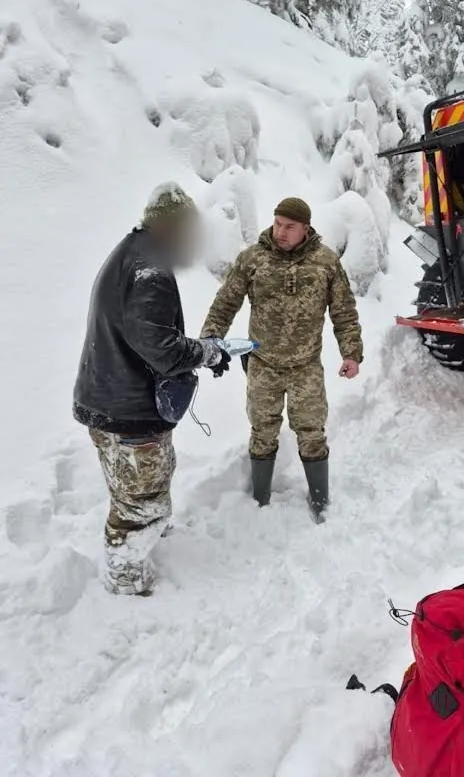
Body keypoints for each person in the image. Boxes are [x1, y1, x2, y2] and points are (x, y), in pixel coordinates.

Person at [73, 183, 230, 596]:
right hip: (130, 415)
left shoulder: (130, 254)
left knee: (132, 495)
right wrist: (208, 352)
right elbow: (163, 351)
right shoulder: (151, 271)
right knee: (139, 507)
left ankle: (142, 555)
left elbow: (143, 335)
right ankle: (127, 591)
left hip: (106, 403)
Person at [200, 197, 363, 520]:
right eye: (277, 224)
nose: (281, 232)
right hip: (263, 365)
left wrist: (351, 353)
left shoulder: (325, 263)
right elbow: (226, 302)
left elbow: (344, 311)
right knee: (262, 431)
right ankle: (259, 500)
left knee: (312, 433)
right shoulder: (253, 259)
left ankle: (320, 502)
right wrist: (210, 338)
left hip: (306, 368)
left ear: (305, 228)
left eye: (289, 226)